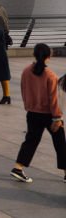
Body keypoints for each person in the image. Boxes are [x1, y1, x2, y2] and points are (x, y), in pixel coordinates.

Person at [10, 43, 66, 183]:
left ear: (34, 54)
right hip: (49, 115)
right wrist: (57, 118)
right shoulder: (50, 75)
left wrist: (29, 106)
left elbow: (24, 91)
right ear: (49, 56)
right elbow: (54, 100)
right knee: (60, 143)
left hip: (32, 113)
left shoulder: (26, 71)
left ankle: (18, 167)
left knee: (31, 140)